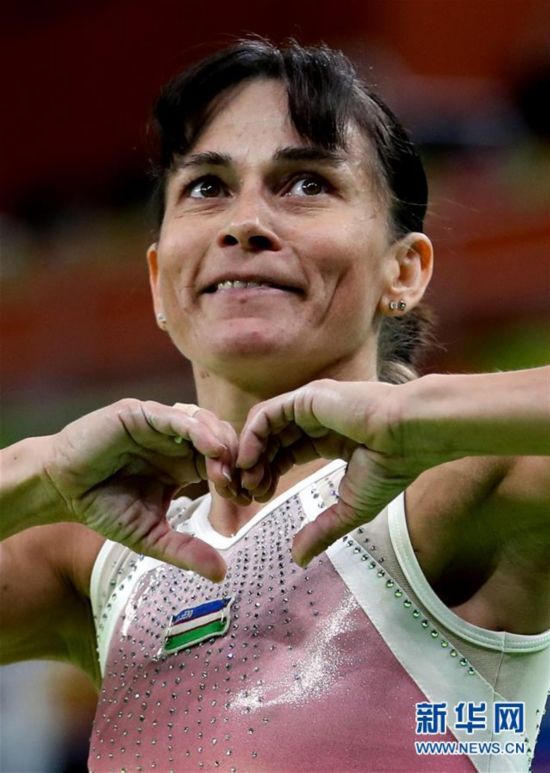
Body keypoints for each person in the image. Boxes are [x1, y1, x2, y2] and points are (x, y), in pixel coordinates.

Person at [1, 39, 549, 772]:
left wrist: (417, 413)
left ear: (405, 270)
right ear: (159, 280)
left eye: (307, 183)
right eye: (207, 187)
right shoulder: (101, 556)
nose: (245, 222)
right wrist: (41, 470)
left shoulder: (451, 486)